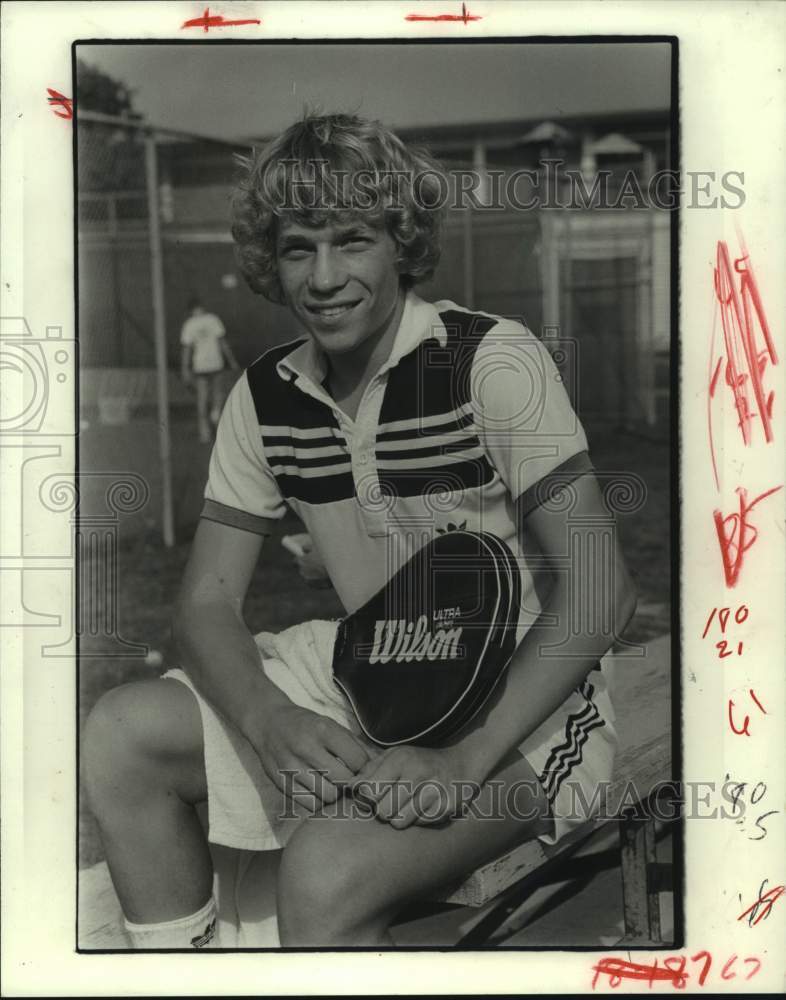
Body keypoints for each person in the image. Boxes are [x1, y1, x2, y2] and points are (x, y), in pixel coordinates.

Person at [83, 112, 637, 949]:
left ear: (403, 243)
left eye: (353, 241)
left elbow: (602, 590)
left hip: (528, 702)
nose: (324, 276)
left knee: (324, 870)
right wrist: (268, 718)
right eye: (299, 247)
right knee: (121, 735)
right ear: (271, 260)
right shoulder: (266, 394)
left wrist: (463, 760)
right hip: (375, 669)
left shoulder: (490, 359)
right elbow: (204, 602)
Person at [180, 298, 239, 443]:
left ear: (191, 310)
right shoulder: (213, 319)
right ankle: (216, 416)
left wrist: (185, 368)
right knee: (218, 394)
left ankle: (204, 433)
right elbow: (222, 343)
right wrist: (232, 361)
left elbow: (186, 350)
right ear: (202, 307)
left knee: (202, 397)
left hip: (200, 365)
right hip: (215, 363)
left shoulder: (189, 324)